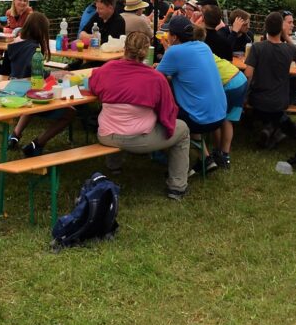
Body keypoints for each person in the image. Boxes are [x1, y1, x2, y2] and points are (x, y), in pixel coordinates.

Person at [90, 32, 191, 200]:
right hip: (138, 139)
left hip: (105, 135)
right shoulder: (155, 78)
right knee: (183, 129)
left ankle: (114, 167)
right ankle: (177, 187)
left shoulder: (106, 69)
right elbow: (168, 111)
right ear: (146, 51)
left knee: (117, 115)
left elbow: (93, 85)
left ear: (124, 48)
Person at [156, 16, 226, 175]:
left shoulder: (174, 51)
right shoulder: (204, 46)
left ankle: (160, 153)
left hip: (200, 119)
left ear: (173, 37)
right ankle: (206, 159)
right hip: (219, 115)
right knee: (189, 108)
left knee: (163, 111)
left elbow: (156, 79)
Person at [2, 12, 75, 156]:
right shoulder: (31, 47)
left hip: (17, 91)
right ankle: (37, 144)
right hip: (29, 95)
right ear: (41, 31)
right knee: (70, 112)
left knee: (32, 100)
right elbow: (36, 71)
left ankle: (15, 135)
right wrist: (54, 74)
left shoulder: (16, 42)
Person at [245, 11, 296, 149]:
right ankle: (274, 129)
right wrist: (286, 36)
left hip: (258, 99)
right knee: (276, 108)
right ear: (281, 29)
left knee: (264, 108)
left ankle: (270, 128)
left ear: (265, 27)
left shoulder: (257, 48)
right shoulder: (288, 49)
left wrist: (244, 96)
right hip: (280, 101)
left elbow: (248, 75)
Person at [195, 25, 248, 169]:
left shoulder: (195, 54)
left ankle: (217, 152)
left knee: (219, 118)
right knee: (228, 119)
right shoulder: (205, 51)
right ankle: (224, 154)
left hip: (229, 84)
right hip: (240, 78)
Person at [281, 10, 296, 105]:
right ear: (280, 23)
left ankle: (291, 102)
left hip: (291, 71)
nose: (293, 25)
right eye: (290, 22)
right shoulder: (269, 36)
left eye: (293, 22)